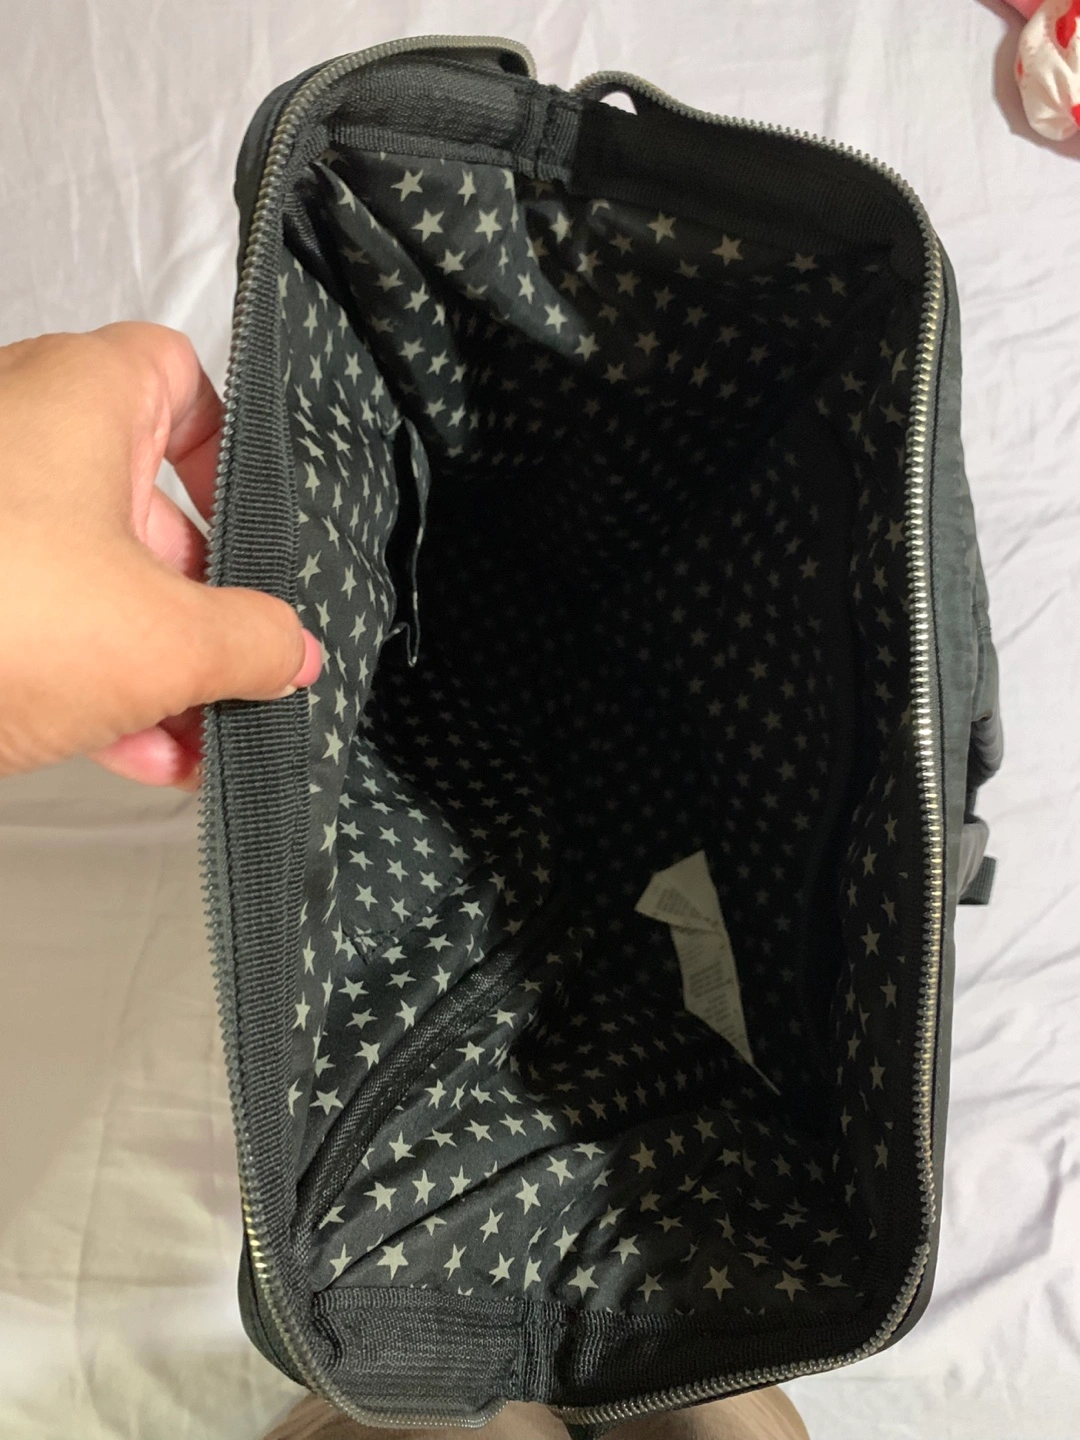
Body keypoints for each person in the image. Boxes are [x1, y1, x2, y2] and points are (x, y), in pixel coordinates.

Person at [0, 323, 810, 1440]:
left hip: (419, 1242)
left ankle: (484, 1368)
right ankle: (650, 1356)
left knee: (432, 1407)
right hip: (702, 1222)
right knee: (707, 1393)